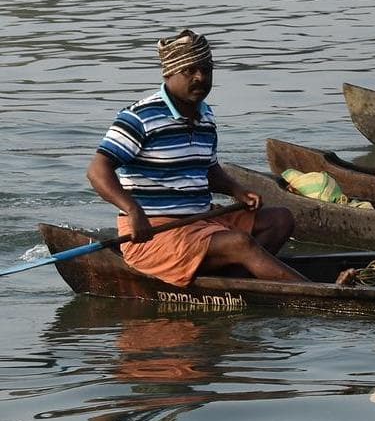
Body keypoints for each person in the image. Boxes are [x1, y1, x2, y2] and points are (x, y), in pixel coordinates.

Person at [86, 29, 304, 285]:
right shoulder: (139, 118)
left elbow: (208, 169)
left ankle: (236, 281)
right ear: (169, 74)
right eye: (190, 71)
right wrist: (133, 211)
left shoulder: (206, 115)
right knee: (239, 243)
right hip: (155, 235)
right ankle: (320, 293)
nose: (200, 78)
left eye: (206, 70)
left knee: (280, 220)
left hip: (202, 221)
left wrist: (238, 191)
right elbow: (97, 171)